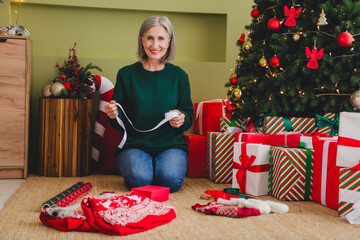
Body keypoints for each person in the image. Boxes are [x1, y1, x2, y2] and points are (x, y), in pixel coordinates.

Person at [104, 16, 194, 193]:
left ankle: (158, 166)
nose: (155, 45)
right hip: (134, 144)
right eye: (150, 38)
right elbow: (117, 122)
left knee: (170, 181)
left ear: (169, 42)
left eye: (161, 38)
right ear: (142, 40)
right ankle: (145, 166)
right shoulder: (126, 74)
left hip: (171, 145)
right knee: (139, 181)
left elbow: (188, 114)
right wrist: (113, 114)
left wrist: (182, 118)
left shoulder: (180, 76)